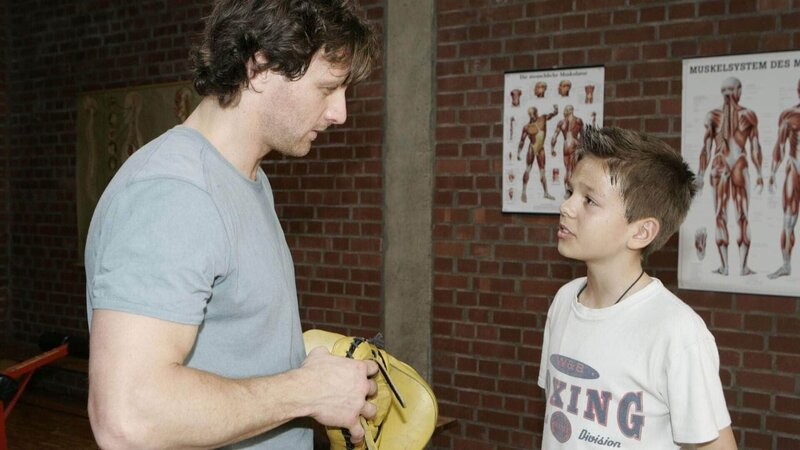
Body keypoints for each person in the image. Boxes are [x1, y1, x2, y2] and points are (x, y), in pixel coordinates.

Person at [84, 1, 381, 449]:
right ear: (260, 66)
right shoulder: (175, 193)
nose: (340, 112)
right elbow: (127, 417)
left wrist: (317, 371)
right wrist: (307, 390)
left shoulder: (247, 180)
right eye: (327, 88)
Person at [539, 126, 736, 449]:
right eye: (570, 192)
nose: (567, 207)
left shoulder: (677, 332)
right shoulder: (564, 301)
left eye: (588, 199)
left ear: (641, 232)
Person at [695, 76, 763, 276]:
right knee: (727, 216)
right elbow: (706, 147)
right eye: (725, 91)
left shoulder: (746, 115)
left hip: (731, 165)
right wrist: (700, 173)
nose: (728, 95)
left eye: (730, 90)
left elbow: (756, 146)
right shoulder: (717, 116)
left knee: (736, 215)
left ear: (738, 91)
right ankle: (732, 267)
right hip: (726, 164)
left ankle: (736, 267)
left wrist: (760, 173)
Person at [767, 79, 800, 279]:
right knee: (788, 221)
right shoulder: (789, 116)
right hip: (794, 170)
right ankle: (786, 265)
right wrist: (772, 172)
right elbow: (779, 145)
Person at [516, 105, 559, 201]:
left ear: (536, 113)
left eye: (533, 114)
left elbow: (550, 115)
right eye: (530, 114)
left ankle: (546, 193)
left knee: (542, 172)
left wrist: (556, 111)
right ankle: (523, 192)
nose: (531, 116)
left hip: (540, 149)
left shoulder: (542, 118)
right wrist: (518, 153)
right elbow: (522, 141)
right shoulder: (527, 127)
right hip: (532, 147)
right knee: (528, 169)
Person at [550, 104, 584, 192]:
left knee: (568, 169)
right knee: (573, 169)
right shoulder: (578, 121)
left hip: (566, 146)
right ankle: (571, 190)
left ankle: (567, 189)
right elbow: (583, 136)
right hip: (574, 143)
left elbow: (554, 137)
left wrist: (552, 149)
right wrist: (580, 145)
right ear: (572, 110)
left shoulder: (561, 123)